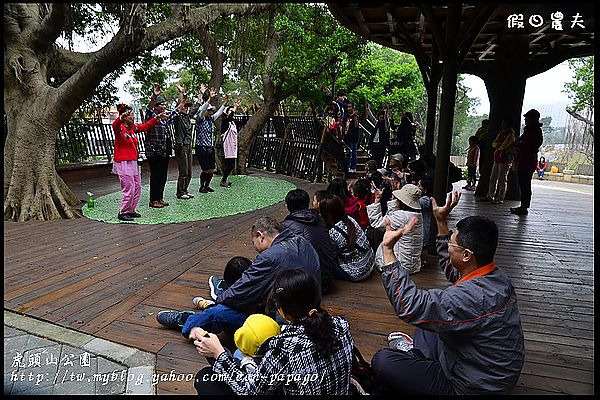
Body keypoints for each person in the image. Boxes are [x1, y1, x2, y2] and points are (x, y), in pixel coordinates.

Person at [370, 191, 525, 394]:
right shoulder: (496, 277)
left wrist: (388, 251)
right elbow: (454, 271)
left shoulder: (469, 298)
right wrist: (441, 222)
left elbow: (409, 306)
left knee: (383, 361)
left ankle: (415, 359)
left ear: (467, 255)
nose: (449, 245)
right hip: (492, 372)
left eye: (451, 243)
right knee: (429, 323)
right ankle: (417, 359)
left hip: (470, 387)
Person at [193, 268, 354, 395]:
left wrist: (218, 353)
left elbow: (248, 391)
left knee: (206, 378)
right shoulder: (341, 325)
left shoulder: (283, 350)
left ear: (282, 311)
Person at [156, 217, 321, 338]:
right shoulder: (303, 242)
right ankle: (210, 303)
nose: (256, 248)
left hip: (281, 322)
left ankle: (186, 320)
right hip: (307, 308)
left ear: (260, 235)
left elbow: (242, 291)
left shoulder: (270, 256)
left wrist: (219, 300)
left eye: (254, 242)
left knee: (219, 312)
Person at [111, 103, 167, 221]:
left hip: (134, 161)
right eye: (131, 115)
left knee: (137, 186)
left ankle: (131, 210)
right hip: (123, 162)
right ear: (124, 117)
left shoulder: (132, 128)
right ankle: (123, 212)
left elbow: (145, 126)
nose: (133, 117)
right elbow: (114, 125)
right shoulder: (119, 128)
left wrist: (157, 118)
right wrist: (121, 117)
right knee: (129, 187)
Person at [279, 189, 337, 292]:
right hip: (329, 276)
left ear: (288, 206)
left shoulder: (285, 227)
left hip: (310, 286)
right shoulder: (319, 219)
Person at [367, 183, 423, 274]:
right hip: (413, 265)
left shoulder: (401, 216)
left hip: (399, 267)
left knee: (383, 245)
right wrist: (394, 198)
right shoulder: (417, 215)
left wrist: (377, 200)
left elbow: (376, 223)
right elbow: (394, 214)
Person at [318, 195, 374, 282]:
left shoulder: (333, 233)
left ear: (328, 214)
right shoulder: (350, 220)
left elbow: (331, 255)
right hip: (369, 262)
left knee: (323, 261)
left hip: (356, 273)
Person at [144, 83, 183, 208]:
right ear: (156, 106)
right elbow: (148, 109)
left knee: (163, 175)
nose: (164, 106)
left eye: (164, 104)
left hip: (165, 150)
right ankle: (153, 199)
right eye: (162, 104)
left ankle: (160, 197)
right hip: (154, 150)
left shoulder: (165, 117)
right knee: (155, 175)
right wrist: (154, 97)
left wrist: (181, 94)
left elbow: (178, 109)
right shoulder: (151, 116)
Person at [510, 109, 544, 216]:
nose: (525, 119)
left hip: (527, 160)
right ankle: (523, 206)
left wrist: (520, 145)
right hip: (524, 160)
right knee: (523, 184)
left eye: (527, 118)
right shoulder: (529, 130)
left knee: (525, 184)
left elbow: (529, 145)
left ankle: (524, 207)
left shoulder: (534, 131)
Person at [194, 87, 228, 193]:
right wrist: (209, 99)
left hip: (209, 147)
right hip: (201, 147)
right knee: (205, 169)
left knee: (211, 169)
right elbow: (202, 110)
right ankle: (202, 186)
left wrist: (225, 102)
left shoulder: (210, 119)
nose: (210, 112)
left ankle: (207, 185)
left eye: (210, 111)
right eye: (208, 110)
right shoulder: (200, 119)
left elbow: (218, 113)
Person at [173, 82, 201, 199]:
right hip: (181, 146)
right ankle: (180, 192)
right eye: (184, 107)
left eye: (186, 107)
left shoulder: (188, 118)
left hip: (188, 145)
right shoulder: (177, 117)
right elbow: (179, 106)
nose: (186, 108)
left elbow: (196, 107)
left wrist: (200, 94)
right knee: (183, 171)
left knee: (189, 171)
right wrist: (181, 93)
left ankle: (185, 190)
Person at [480, 116, 517, 204]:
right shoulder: (501, 133)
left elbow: (504, 145)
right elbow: (494, 143)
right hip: (497, 159)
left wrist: (499, 145)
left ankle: (500, 198)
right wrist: (499, 145)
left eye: (504, 123)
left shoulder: (511, 135)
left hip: (505, 160)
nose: (502, 125)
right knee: (493, 178)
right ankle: (490, 196)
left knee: (502, 179)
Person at [220, 99, 242, 188]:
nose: (232, 112)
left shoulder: (233, 123)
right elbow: (229, 117)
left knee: (231, 164)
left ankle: (224, 179)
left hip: (233, 147)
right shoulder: (225, 122)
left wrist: (244, 113)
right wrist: (235, 107)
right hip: (227, 146)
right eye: (230, 110)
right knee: (230, 164)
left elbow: (243, 122)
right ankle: (223, 180)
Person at [366, 102, 389, 168]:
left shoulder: (385, 125)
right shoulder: (377, 124)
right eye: (380, 117)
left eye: (382, 118)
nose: (381, 119)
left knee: (380, 159)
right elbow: (372, 117)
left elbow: (387, 120)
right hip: (374, 143)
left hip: (381, 144)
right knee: (373, 158)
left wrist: (386, 110)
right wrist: (368, 109)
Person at [344, 102, 360, 173]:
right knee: (348, 153)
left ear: (353, 108)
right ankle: (347, 166)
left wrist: (355, 116)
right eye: (348, 107)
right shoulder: (347, 116)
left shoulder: (355, 116)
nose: (348, 108)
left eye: (350, 107)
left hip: (354, 137)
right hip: (347, 137)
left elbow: (356, 126)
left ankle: (353, 167)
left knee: (353, 152)